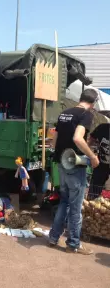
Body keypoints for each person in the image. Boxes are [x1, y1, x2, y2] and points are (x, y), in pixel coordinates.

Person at [49, 88, 99, 255]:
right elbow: (78, 138)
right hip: (75, 166)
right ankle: (73, 244)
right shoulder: (86, 114)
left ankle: (53, 237)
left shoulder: (65, 113)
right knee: (76, 207)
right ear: (93, 103)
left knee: (64, 201)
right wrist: (92, 156)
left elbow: (53, 141)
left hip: (62, 163)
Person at [88, 123, 110, 197]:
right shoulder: (102, 127)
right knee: (94, 193)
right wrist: (91, 153)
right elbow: (90, 141)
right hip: (101, 165)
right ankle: (91, 205)